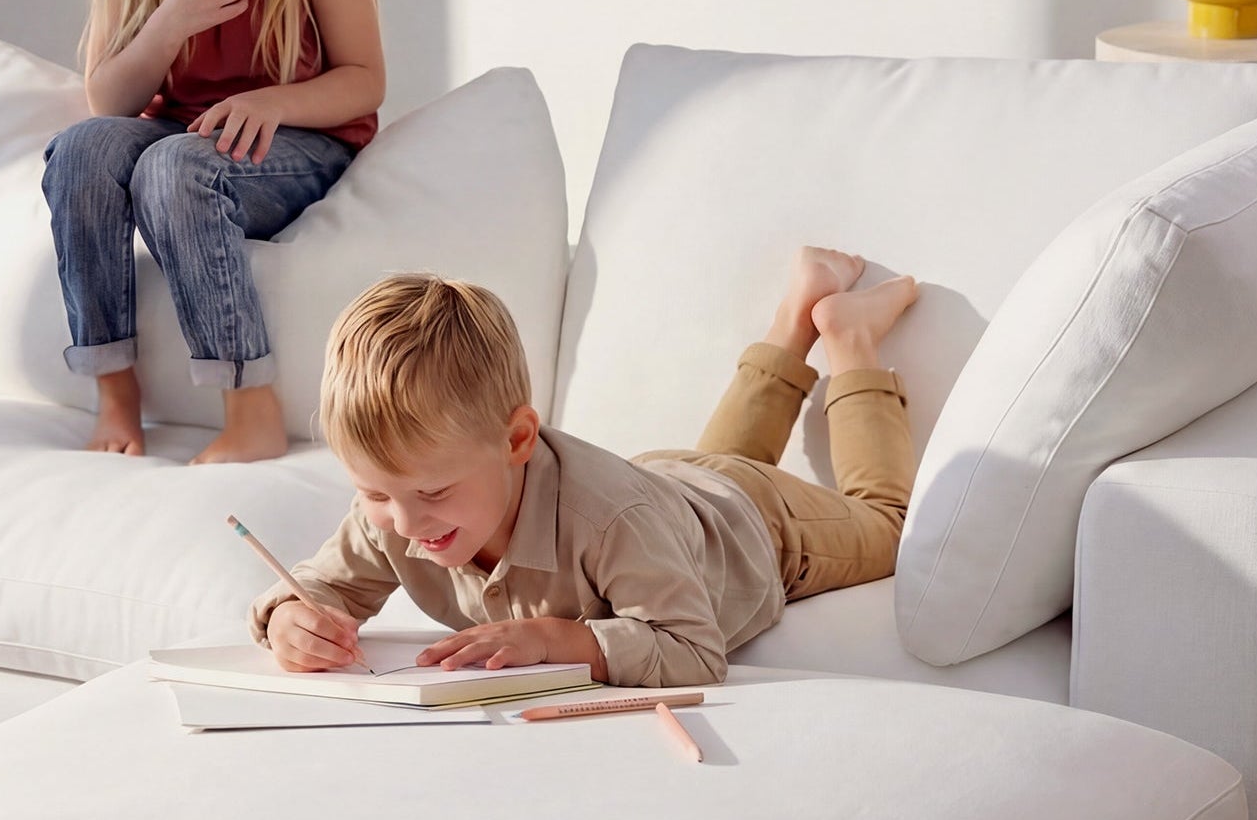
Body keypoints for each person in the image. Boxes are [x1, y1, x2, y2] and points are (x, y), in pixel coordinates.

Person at [250, 249, 922, 688]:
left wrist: (556, 640)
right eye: (373, 492)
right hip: (667, 490)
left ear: (517, 439)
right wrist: (289, 618)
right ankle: (793, 319)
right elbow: (316, 589)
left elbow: (694, 649)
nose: (406, 523)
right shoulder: (399, 506)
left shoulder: (609, 522)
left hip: (755, 523)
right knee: (723, 461)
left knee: (889, 526)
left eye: (431, 492)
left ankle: (847, 332)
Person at [42, 0, 384, 464]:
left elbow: (364, 79)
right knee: (81, 151)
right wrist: (172, 18)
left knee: (176, 170)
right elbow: (109, 99)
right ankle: (114, 391)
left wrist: (274, 103)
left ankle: (250, 409)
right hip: (180, 129)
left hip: (298, 140)